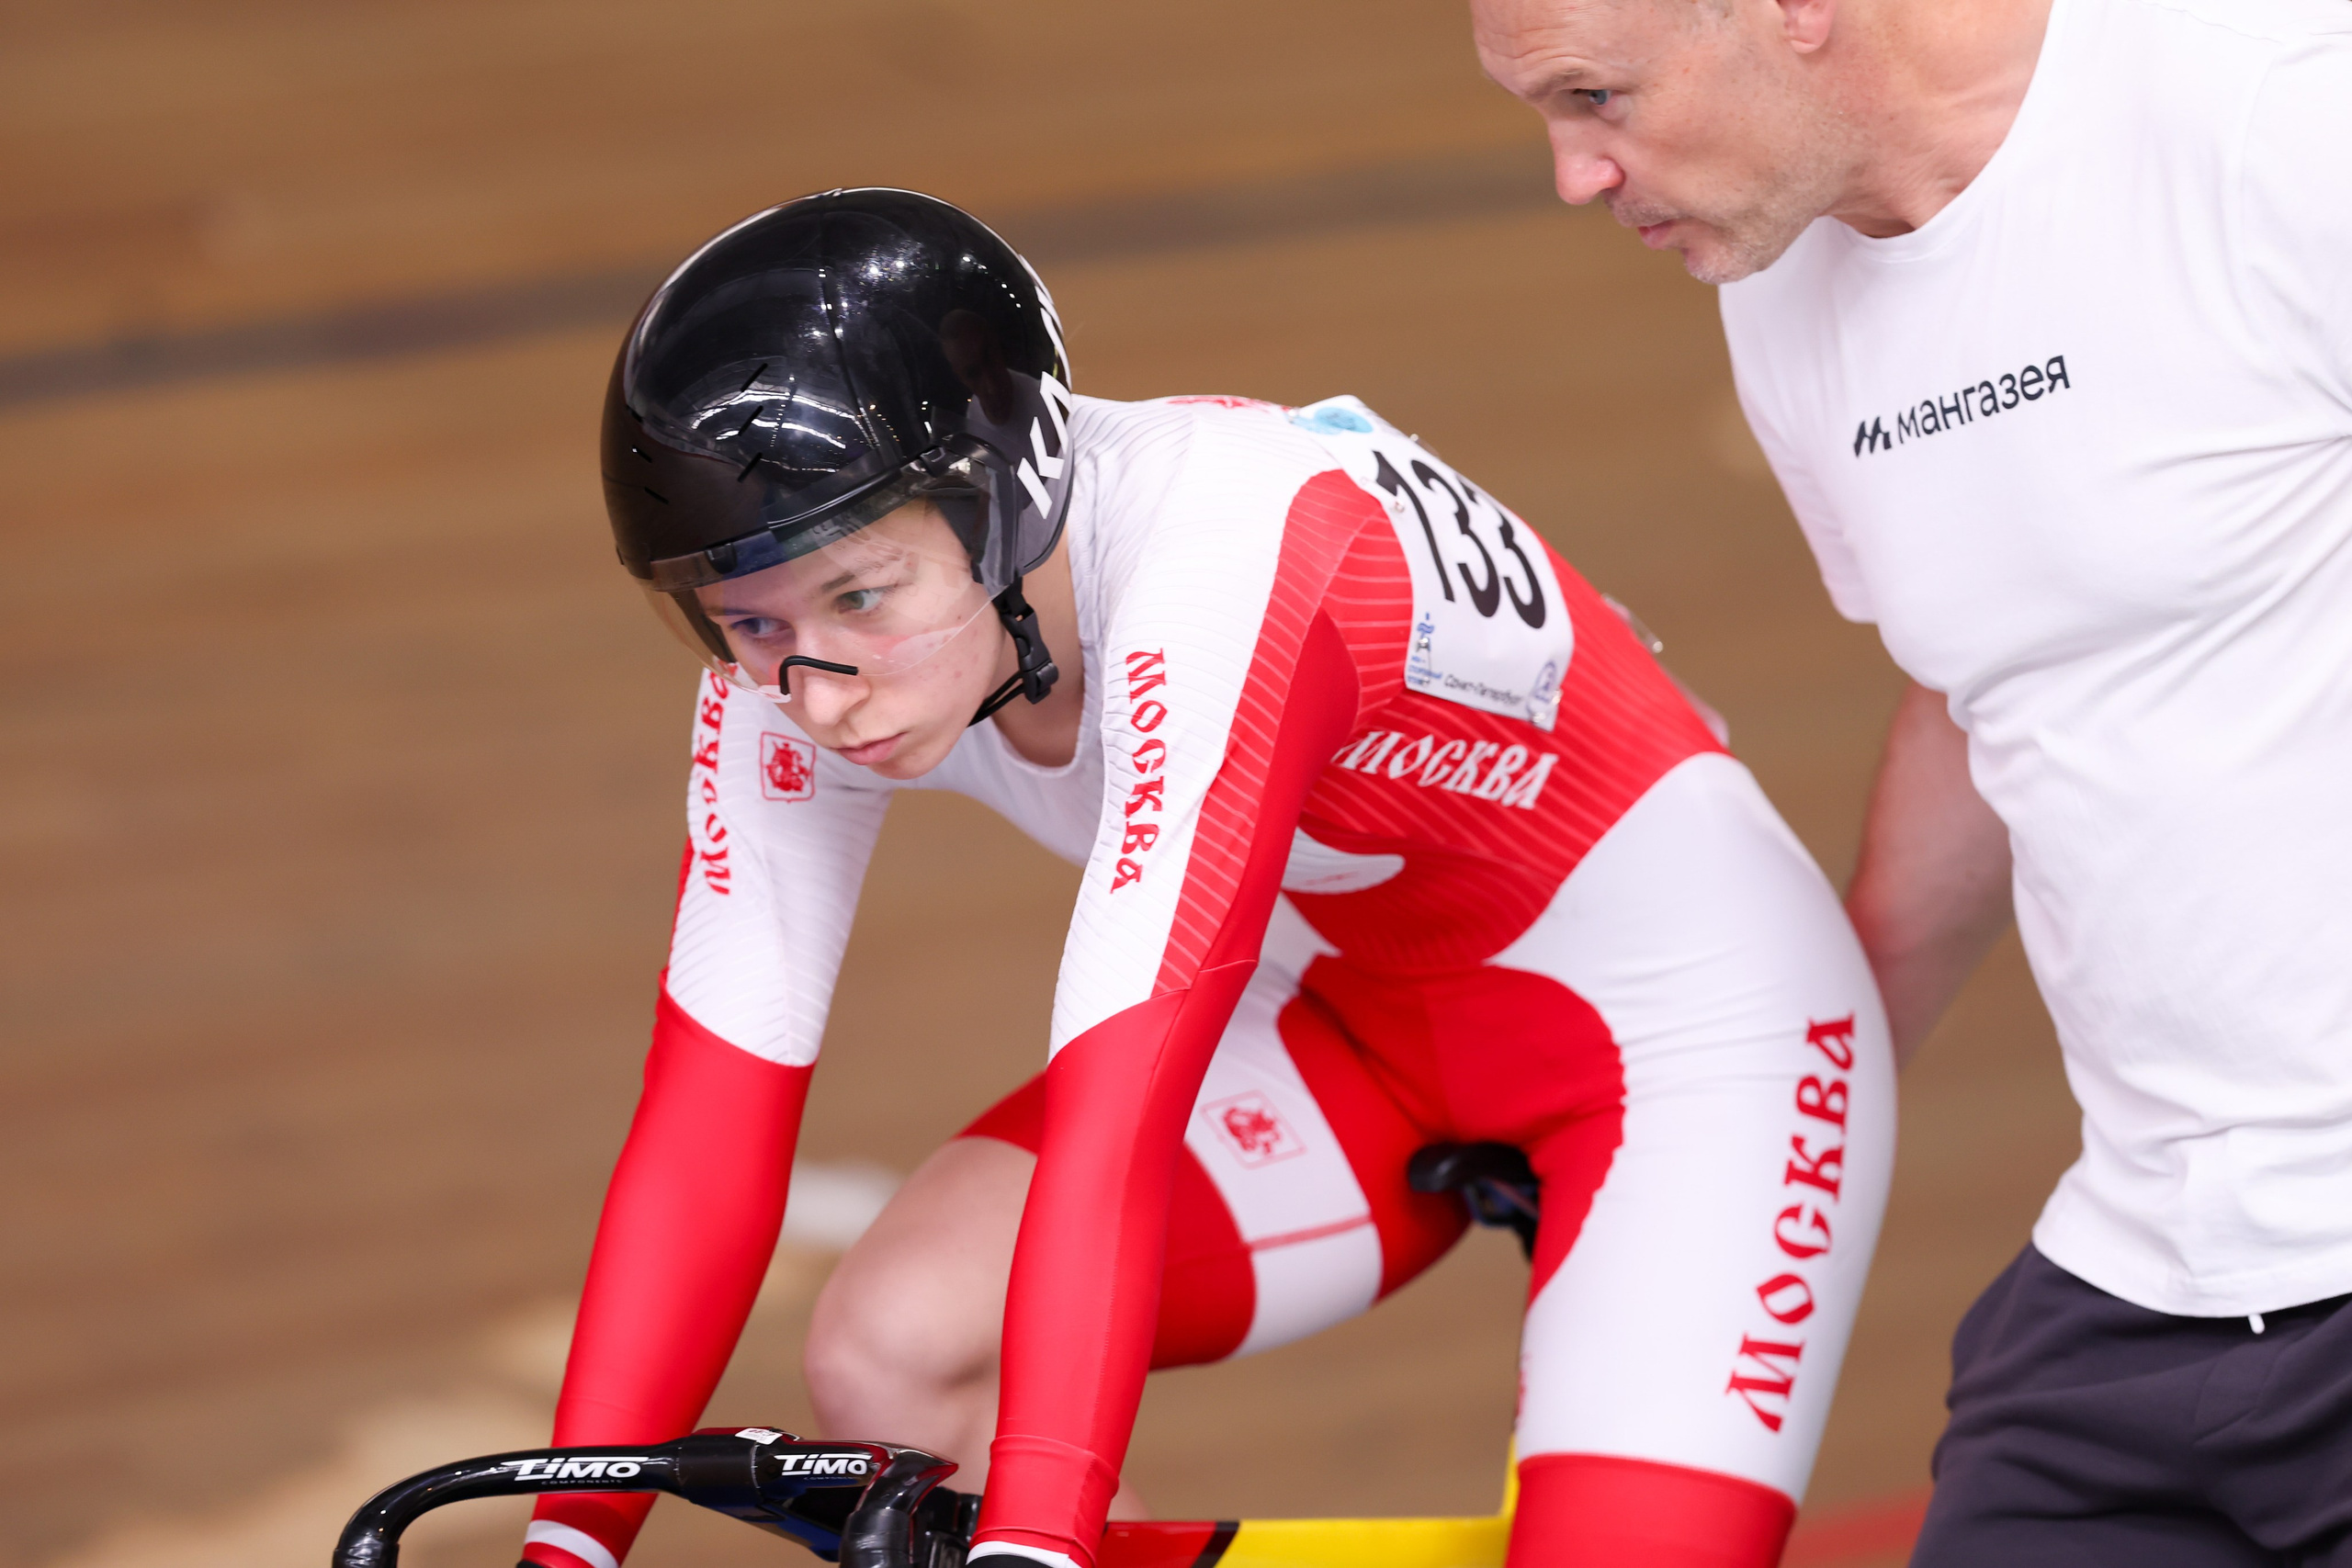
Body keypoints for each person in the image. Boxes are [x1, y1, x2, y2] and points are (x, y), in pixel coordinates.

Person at [514, 188, 1892, 1568]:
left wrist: (1038, 1545)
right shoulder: (798, 649)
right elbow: (710, 1120)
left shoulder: (1220, 556)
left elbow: (1122, 1113)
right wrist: (569, 1543)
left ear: (1001, 507)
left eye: (863, 601)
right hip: (1346, 1013)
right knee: (894, 1351)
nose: (811, 692)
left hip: (1692, 1028)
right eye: (745, 624)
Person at [1472, 0, 2352, 1561]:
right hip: (2146, 1280)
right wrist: (1790, 1067)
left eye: (1598, 96)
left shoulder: (2277, 113)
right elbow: (1987, 686)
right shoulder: (1780, 281)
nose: (1574, 172)